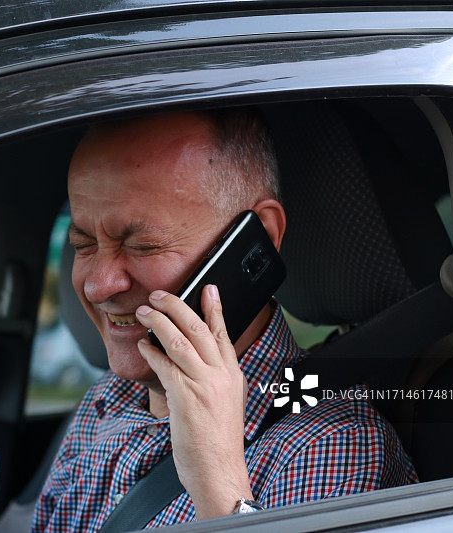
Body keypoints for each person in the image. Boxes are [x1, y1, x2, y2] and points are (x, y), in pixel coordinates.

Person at [30, 109, 418, 531]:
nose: (98, 286)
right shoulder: (107, 400)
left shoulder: (332, 446)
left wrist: (218, 484)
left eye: (143, 246)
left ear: (260, 238)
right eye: (84, 245)